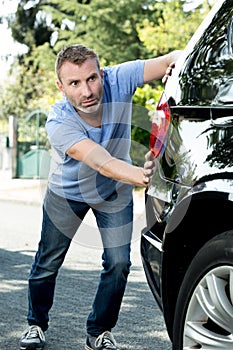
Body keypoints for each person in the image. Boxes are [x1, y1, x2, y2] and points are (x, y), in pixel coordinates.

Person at [19, 44, 181, 350]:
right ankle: (35, 324)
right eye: (75, 84)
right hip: (67, 194)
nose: (86, 91)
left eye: (92, 79)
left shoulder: (120, 78)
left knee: (119, 263)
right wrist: (143, 176)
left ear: (102, 74)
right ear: (61, 87)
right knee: (47, 262)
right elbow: (100, 161)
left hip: (113, 193)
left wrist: (174, 70)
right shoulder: (58, 121)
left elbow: (172, 57)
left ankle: (98, 331)